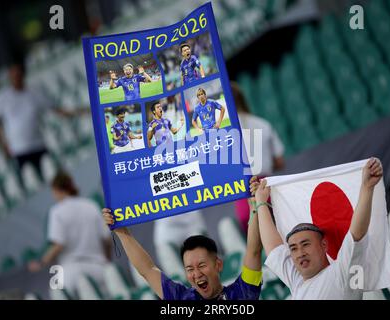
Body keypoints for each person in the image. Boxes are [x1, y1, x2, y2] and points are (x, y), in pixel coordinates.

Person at [102, 178, 263, 300]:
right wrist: (121, 231)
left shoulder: (242, 293)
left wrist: (255, 206)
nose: (196, 274)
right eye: (190, 269)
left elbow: (254, 251)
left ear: (218, 264)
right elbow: (147, 270)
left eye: (201, 265)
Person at [251, 158, 383, 299]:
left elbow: (357, 233)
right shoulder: (296, 281)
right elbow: (273, 248)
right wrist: (260, 202)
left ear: (324, 245)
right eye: (293, 248)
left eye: (305, 244)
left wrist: (367, 188)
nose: (300, 253)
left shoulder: (342, 272)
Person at [0, 62, 84, 178]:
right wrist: (4, 145)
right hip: (18, 149)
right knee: (29, 180)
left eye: (18, 75)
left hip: (37, 144)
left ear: (23, 75)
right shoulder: (2, 98)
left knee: (50, 174)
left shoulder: (34, 93)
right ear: (10, 77)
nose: (16, 78)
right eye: (13, 76)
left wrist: (80, 112)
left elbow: (57, 110)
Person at [28, 171, 112, 298]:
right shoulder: (91, 205)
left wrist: (41, 262)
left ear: (56, 190)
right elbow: (107, 239)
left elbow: (58, 244)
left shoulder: (57, 211)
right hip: (98, 267)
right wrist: (107, 260)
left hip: (70, 270)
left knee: (57, 293)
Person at [230, 82, 285, 233]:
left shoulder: (225, 130)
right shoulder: (263, 123)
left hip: (244, 190)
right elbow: (280, 161)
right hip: (267, 186)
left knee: (255, 240)